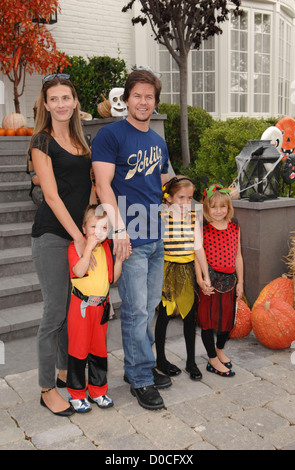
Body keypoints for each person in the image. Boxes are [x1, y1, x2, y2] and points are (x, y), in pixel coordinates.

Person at [92, 68, 171, 411]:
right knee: (136, 310)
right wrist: (119, 229)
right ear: (126, 100)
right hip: (129, 236)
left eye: (149, 96)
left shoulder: (157, 141)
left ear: (155, 102)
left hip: (156, 234)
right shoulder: (111, 135)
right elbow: (102, 184)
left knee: (150, 305)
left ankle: (140, 364)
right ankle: (140, 378)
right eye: (136, 95)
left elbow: (164, 180)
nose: (143, 102)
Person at [29, 73, 96, 416]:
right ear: (45, 104)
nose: (60, 104)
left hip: (78, 234)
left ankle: (64, 370)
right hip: (53, 236)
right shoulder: (41, 141)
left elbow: (88, 189)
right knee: (54, 313)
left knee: (72, 311)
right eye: (54, 99)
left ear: (74, 102)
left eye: (66, 98)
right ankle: (46, 388)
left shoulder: (81, 141)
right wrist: (80, 236)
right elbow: (52, 197)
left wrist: (97, 226)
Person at [66, 204, 123, 413]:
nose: (98, 232)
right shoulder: (76, 247)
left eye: (104, 227)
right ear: (83, 229)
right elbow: (78, 272)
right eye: (93, 227)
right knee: (78, 350)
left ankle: (98, 390)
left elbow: (112, 279)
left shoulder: (107, 248)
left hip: (100, 308)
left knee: (99, 351)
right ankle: (77, 394)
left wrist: (121, 261)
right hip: (80, 308)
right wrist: (88, 248)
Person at [155, 176, 212, 380]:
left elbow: (198, 248)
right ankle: (160, 359)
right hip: (169, 269)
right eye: (181, 198)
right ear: (169, 198)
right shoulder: (162, 216)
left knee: (189, 317)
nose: (186, 203)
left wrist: (205, 275)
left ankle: (191, 362)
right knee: (164, 315)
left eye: (189, 198)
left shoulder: (193, 218)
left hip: (188, 270)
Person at [196, 184, 244, 377]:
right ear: (207, 208)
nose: (218, 211)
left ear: (228, 207)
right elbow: (197, 257)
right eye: (213, 207)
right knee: (208, 320)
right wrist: (200, 280)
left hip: (230, 281)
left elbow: (238, 255)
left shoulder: (234, 226)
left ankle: (219, 349)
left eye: (222, 207)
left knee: (227, 322)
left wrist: (240, 282)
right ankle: (211, 359)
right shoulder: (203, 228)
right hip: (210, 281)